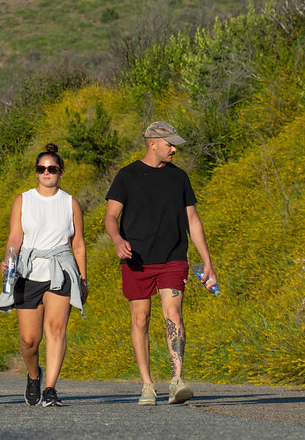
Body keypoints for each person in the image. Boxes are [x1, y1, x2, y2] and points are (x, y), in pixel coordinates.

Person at [104, 121, 218, 406]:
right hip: (137, 260)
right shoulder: (126, 176)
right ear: (152, 143)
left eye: (175, 145)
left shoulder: (179, 177)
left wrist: (207, 261)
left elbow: (192, 219)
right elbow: (110, 216)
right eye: (170, 144)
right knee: (140, 320)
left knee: (173, 313)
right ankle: (146, 385)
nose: (174, 150)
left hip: (173, 257)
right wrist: (118, 240)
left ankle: (177, 381)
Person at [0, 143, 87, 407]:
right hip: (27, 272)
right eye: (41, 169)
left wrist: (83, 279)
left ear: (60, 172)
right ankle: (34, 377)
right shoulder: (23, 200)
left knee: (56, 329)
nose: (46, 173)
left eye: (52, 169)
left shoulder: (70, 203)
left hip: (60, 270)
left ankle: (50, 388)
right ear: (36, 172)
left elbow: (78, 244)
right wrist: (8, 261)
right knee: (29, 341)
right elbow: (15, 236)